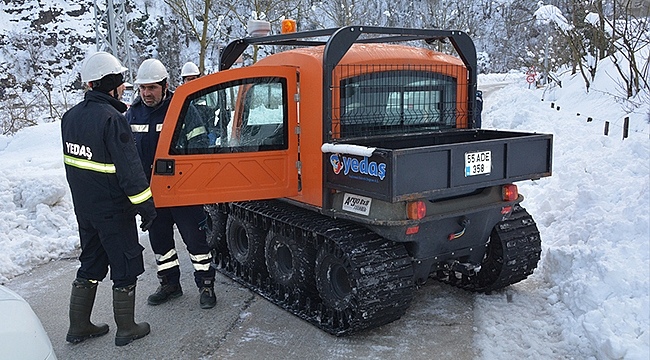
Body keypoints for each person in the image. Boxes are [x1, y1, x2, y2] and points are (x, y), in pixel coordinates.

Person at [61, 51, 155, 347]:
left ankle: (78, 327)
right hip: (114, 211)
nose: (124, 87)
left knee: (90, 263)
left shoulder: (70, 117)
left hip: (86, 211)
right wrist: (146, 207)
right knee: (125, 266)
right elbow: (130, 171)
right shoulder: (113, 119)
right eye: (121, 82)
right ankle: (127, 329)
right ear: (109, 84)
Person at [126, 58, 217, 309]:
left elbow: (200, 147)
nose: (146, 93)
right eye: (143, 88)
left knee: (196, 242)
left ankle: (206, 285)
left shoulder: (183, 109)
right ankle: (169, 284)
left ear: (165, 86)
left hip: (183, 191)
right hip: (152, 194)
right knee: (161, 243)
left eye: (152, 87)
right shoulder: (132, 114)